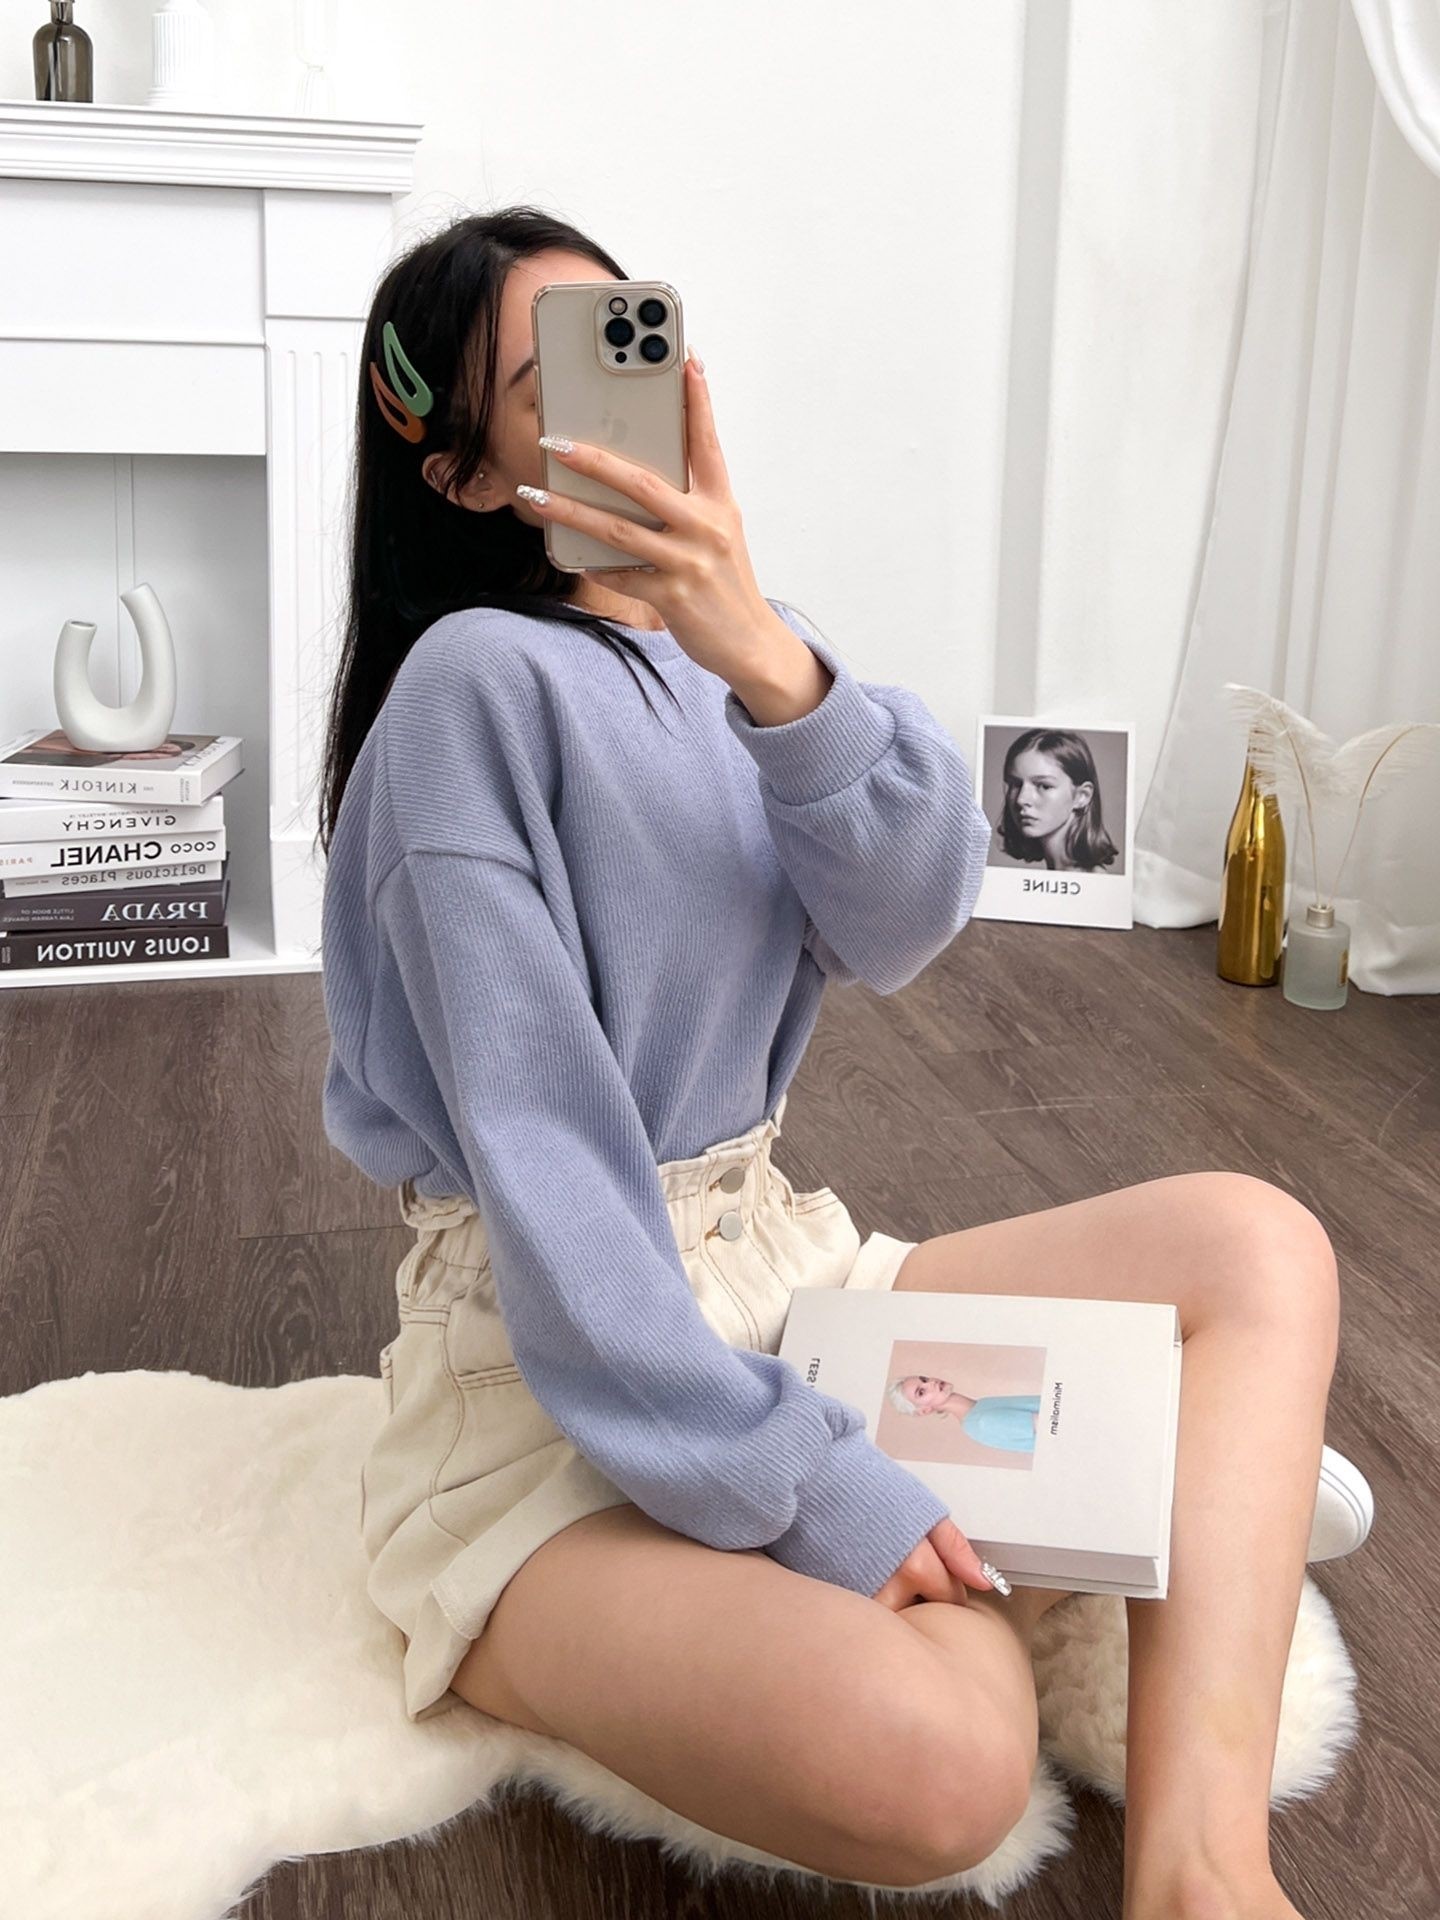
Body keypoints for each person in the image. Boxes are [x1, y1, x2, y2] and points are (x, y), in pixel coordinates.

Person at [317, 206, 1362, 1914]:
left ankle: (1204, 1872)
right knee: (948, 1761)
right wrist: (816, 1488)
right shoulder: (470, 690)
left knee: (1260, 1247)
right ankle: (1120, 1512)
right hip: (548, 1372)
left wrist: (766, 660)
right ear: (464, 475)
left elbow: (908, 917)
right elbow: (553, 1171)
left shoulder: (746, 649)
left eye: (638, 336)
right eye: (555, 380)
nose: (632, 393)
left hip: (782, 1269)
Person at [995, 727, 1120, 871]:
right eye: (1015, 784)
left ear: (1082, 796)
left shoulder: (1089, 879)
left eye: (1044, 786)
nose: (1021, 799)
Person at [887, 1373, 1042, 1452]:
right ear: (925, 1410)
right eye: (921, 1392)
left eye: (924, 1379)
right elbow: (1051, 1426)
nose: (931, 1383)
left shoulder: (980, 1408)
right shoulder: (982, 1421)